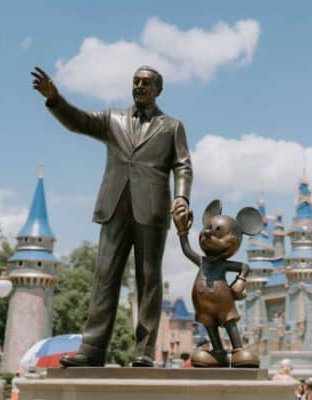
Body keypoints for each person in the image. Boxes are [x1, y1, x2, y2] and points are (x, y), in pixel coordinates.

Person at [32, 64, 193, 368]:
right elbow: (78, 121)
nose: (139, 86)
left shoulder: (172, 127)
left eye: (146, 83)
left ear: (158, 90)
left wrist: (182, 197)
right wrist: (56, 100)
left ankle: (144, 350)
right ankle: (92, 348)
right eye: (135, 81)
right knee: (104, 277)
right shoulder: (112, 119)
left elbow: (182, 165)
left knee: (148, 280)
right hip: (114, 206)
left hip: (152, 210)